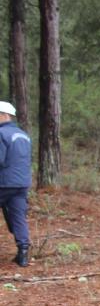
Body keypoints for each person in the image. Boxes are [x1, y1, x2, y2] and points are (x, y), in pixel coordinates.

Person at [0, 100, 31, 267]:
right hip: (21, 184)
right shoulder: (23, 135)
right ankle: (23, 253)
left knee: (17, 217)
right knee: (18, 217)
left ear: (4, 115)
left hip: (3, 183)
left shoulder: (1, 134)